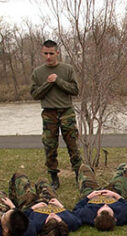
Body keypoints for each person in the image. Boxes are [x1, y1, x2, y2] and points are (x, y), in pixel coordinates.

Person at [31, 39, 81, 189]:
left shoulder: (67, 69)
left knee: (73, 145)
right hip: (49, 113)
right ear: (42, 53)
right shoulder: (38, 73)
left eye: (51, 53)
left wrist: (58, 80)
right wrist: (48, 83)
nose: (48, 56)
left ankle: (80, 176)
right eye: (45, 53)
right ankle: (54, 178)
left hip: (66, 111)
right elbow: (35, 94)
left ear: (57, 53)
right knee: (50, 147)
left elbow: (75, 90)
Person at [72, 163, 127, 231]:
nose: (105, 205)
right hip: (114, 192)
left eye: (102, 209)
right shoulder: (124, 214)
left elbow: (77, 208)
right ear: (115, 219)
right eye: (108, 209)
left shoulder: (87, 215)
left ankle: (89, 172)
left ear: (95, 219)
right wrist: (115, 195)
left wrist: (88, 197)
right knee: (124, 166)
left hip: (92, 194)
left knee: (84, 167)